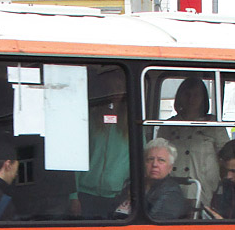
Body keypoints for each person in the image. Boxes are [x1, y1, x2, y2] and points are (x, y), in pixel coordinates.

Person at [158, 77, 228, 210]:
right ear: (179, 97)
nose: (191, 99)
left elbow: (226, 158)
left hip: (203, 189)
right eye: (187, 94)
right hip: (171, 187)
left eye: (196, 95)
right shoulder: (168, 125)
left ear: (203, 98)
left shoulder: (214, 125)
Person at [71, 68, 130, 219]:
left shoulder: (130, 125)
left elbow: (138, 161)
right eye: (109, 88)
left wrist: (130, 193)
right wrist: (73, 196)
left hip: (116, 197)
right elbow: (74, 158)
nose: (114, 92)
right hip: (84, 195)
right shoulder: (89, 121)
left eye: (118, 88)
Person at [115, 138, 188, 221]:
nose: (154, 164)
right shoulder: (133, 185)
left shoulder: (172, 193)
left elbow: (153, 224)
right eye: (150, 159)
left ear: (170, 168)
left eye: (161, 160)